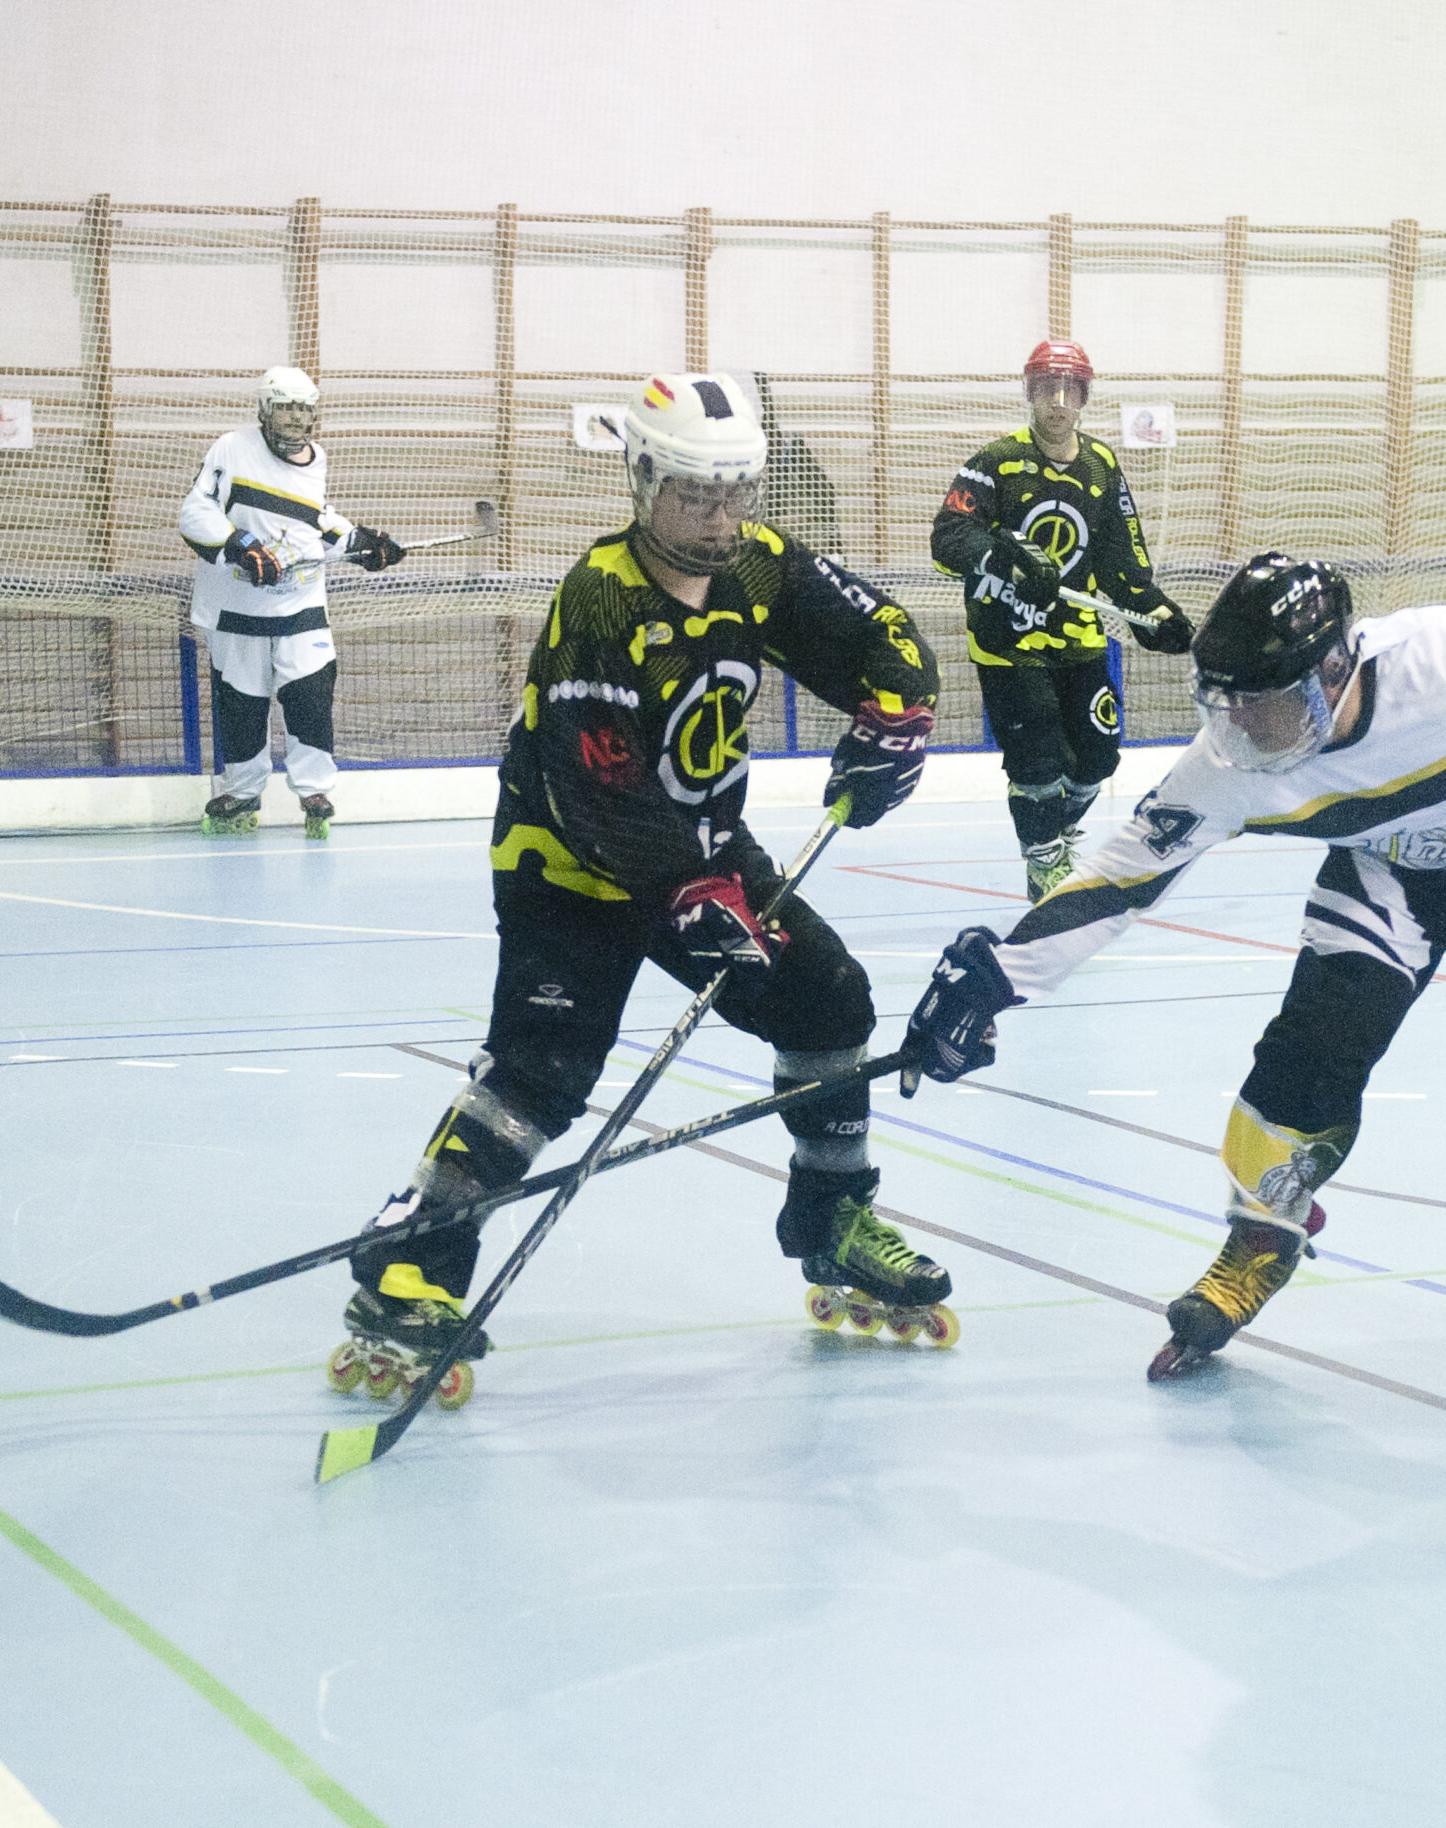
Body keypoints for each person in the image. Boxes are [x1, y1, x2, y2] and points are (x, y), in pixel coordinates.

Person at [904, 553, 1446, 1416]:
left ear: (1336, 669)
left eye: (1266, 704)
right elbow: (1122, 875)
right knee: (1310, 1048)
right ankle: (1263, 1233)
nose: (1241, 729)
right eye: (1225, 705)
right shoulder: (1228, 763)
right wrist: (991, 979)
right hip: (1390, 873)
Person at [329, 370, 949, 1406]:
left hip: (706, 851)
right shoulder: (601, 599)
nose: (717, 517)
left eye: (734, 492)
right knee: (544, 1069)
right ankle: (410, 1263)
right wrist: (690, 896)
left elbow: (872, 631)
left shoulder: (758, 566)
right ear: (643, 481)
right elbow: (598, 789)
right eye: (694, 494)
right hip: (570, 865)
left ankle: (830, 1215)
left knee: (829, 998)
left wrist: (898, 711)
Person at [930, 338, 1195, 901]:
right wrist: (1003, 551)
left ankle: (1060, 834)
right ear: (1029, 393)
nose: (1057, 402)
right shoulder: (995, 463)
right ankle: (1045, 858)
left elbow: (1123, 560)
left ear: (1083, 396)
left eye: (1068, 390)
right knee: (1038, 753)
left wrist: (1157, 611)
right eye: (1045, 389)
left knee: (1098, 754)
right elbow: (947, 538)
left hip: (1079, 637)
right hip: (1008, 639)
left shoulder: (1101, 464)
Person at [178, 366, 406, 840]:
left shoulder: (316, 459)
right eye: (285, 407)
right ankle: (241, 792)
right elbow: (196, 511)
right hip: (237, 609)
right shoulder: (231, 448)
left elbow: (312, 520)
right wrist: (238, 546)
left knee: (310, 696)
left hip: (301, 605)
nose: (294, 418)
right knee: (241, 704)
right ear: (264, 409)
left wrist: (362, 543)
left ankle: (315, 790)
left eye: (303, 408)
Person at [750, 371, 842, 555]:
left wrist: (834, 548)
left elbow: (826, 494)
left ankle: (835, 555)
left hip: (803, 534)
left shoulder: (794, 453)